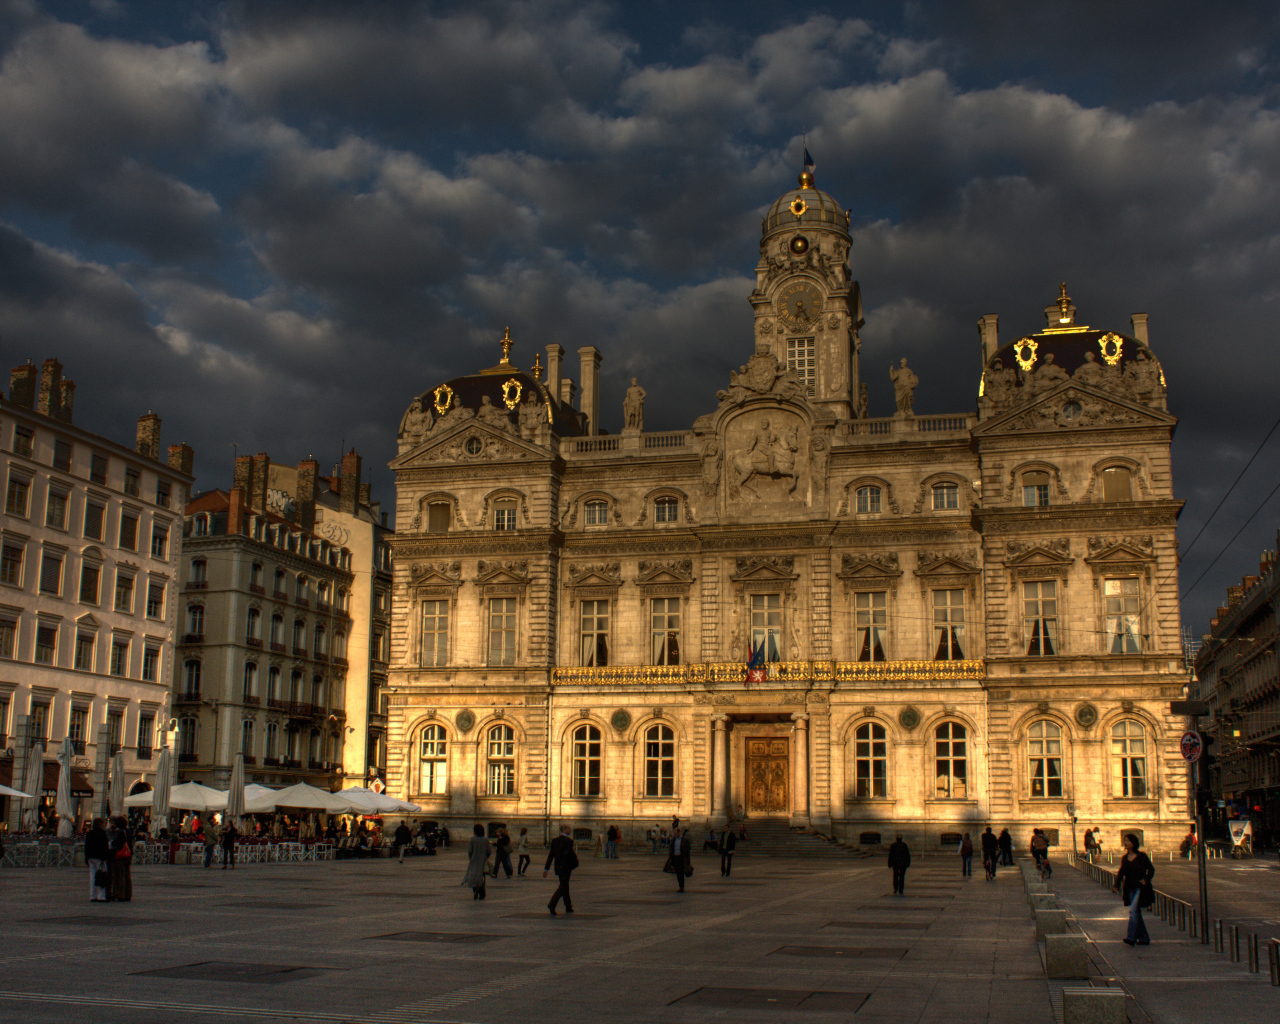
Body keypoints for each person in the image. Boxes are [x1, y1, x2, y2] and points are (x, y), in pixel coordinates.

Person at [1112, 833, 1155, 946]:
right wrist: (1116, 884)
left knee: (1133, 911)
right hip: (1129, 888)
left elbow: (1151, 870)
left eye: (1127, 841)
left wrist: (1146, 879)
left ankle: (1131, 937)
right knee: (1136, 913)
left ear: (1133, 843)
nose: (1125, 843)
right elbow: (1121, 872)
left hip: (1140, 888)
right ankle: (1144, 938)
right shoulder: (1125, 858)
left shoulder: (1142, 856)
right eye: (1124, 840)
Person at [544, 824, 579, 915]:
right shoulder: (568, 841)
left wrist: (546, 868)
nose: (570, 830)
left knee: (565, 885)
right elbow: (570, 854)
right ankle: (552, 904)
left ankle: (568, 906)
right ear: (564, 829)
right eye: (569, 828)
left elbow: (551, 855)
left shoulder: (555, 841)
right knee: (563, 887)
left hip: (558, 867)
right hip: (566, 867)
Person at [462, 824, 491, 900]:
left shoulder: (472, 839)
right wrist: (486, 857)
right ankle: (482, 892)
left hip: (474, 860)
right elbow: (489, 851)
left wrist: (471, 858)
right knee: (481, 877)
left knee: (473, 876)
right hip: (483, 860)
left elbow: (469, 851)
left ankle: (475, 889)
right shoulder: (485, 839)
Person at [108, 816, 133, 901]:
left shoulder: (121, 832)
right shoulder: (129, 831)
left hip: (121, 856)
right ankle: (128, 894)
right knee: (127, 875)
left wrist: (111, 843)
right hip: (128, 855)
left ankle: (120, 894)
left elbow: (118, 843)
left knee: (120, 875)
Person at [86, 818, 110, 903]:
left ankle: (92, 895)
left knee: (92, 876)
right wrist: (104, 857)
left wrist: (87, 858)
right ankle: (101, 896)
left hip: (90, 857)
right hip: (99, 857)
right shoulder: (102, 833)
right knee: (102, 874)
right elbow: (104, 846)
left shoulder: (90, 833)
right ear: (101, 824)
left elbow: (87, 846)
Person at [667, 827, 692, 892]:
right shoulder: (673, 839)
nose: (674, 835)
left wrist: (688, 861)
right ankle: (680, 886)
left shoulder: (684, 839)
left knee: (681, 872)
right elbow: (671, 848)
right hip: (675, 857)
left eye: (675, 834)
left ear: (678, 832)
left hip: (681, 857)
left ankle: (681, 886)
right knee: (678, 872)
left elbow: (687, 850)